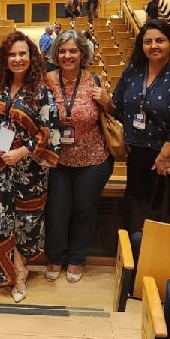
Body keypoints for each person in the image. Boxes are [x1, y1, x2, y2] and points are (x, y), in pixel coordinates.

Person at [0, 31, 60, 302]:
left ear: (32, 57)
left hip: (30, 171)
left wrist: (21, 152)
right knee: (4, 221)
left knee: (27, 224)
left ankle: (22, 266)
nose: (17, 59)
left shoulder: (41, 91)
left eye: (22, 54)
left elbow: (48, 132)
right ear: (5, 59)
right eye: (12, 54)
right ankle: (13, 273)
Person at [112, 20, 170, 231]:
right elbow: (118, 104)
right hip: (139, 152)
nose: (154, 46)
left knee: (169, 216)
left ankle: (166, 262)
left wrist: (165, 156)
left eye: (160, 40)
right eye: (148, 41)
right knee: (137, 213)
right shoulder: (134, 70)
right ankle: (136, 258)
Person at [45, 30, 113, 283]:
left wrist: (107, 101)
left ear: (82, 53)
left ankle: (76, 258)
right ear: (56, 54)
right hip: (57, 159)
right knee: (57, 211)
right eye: (62, 51)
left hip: (92, 159)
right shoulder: (46, 80)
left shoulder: (95, 79)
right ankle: (56, 257)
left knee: (84, 210)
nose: (67, 55)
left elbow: (113, 114)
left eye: (73, 51)